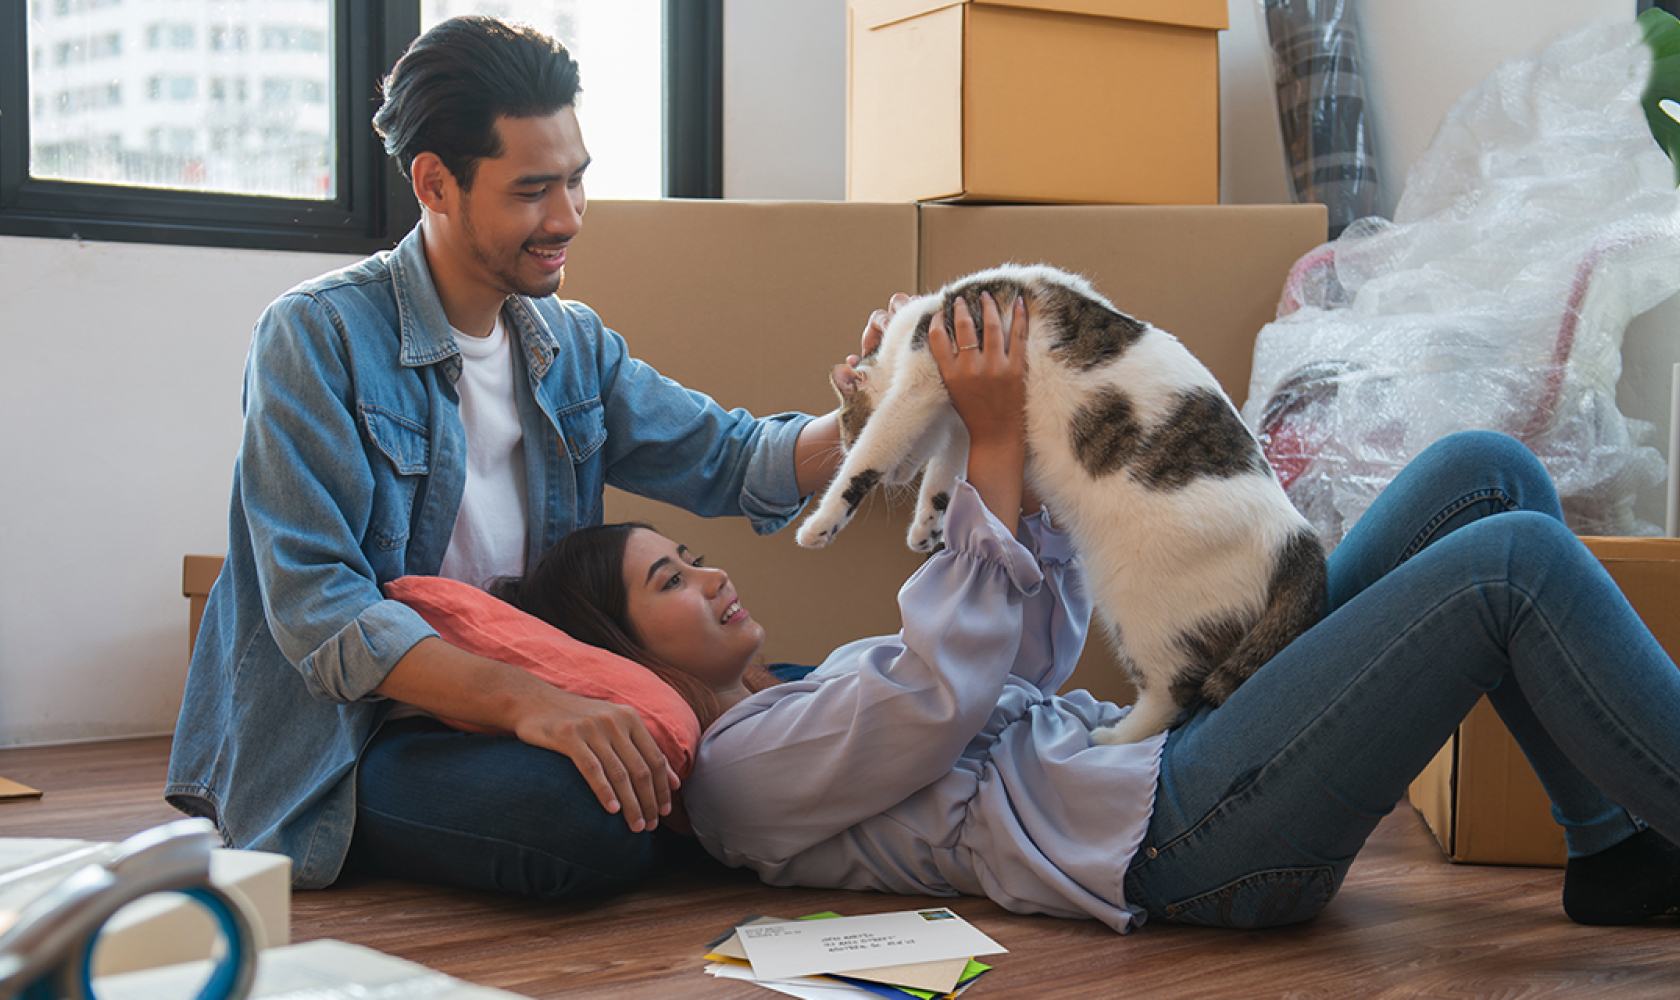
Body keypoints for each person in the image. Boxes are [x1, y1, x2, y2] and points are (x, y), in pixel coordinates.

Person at [499, 291, 1680, 930]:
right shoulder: (736, 780)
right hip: (1184, 840)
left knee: (1485, 475)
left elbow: (1035, 648)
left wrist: (1021, 446)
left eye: (691, 556)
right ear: (626, 656)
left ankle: (1612, 855)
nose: (710, 577)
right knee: (1511, 562)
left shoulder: (802, 690)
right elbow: (941, 697)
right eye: (669, 584)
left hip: (1177, 758)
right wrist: (997, 444)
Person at [165, 15, 873, 898]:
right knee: (585, 822)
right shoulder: (316, 337)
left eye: (577, 182)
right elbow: (323, 612)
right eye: (534, 190)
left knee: (834, 694)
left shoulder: (571, 345)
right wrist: (531, 703)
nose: (568, 218)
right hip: (374, 730)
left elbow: (733, 458)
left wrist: (871, 419)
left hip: (554, 687)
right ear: (435, 183)